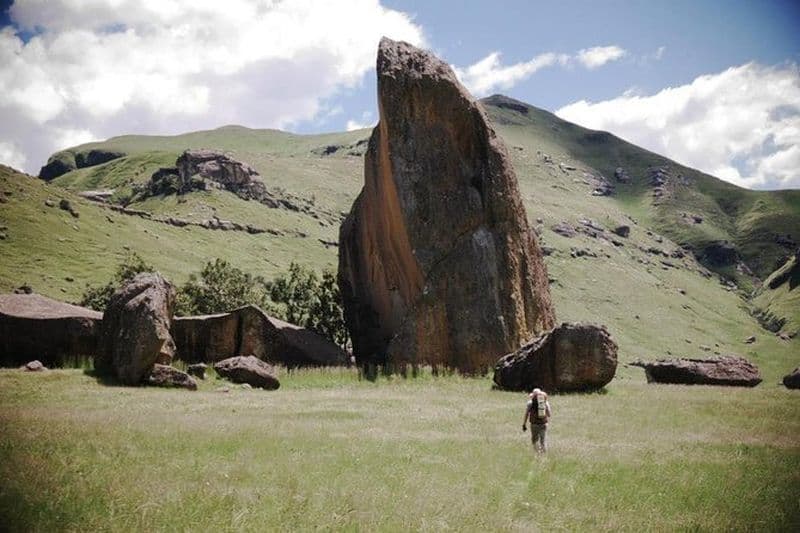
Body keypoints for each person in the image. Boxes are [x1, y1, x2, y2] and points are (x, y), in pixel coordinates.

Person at [522, 387, 551, 453]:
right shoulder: (545, 402)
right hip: (543, 424)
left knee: (534, 440)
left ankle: (537, 453)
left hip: (534, 424)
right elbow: (549, 414)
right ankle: (543, 454)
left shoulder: (530, 403)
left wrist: (524, 424)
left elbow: (526, 414)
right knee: (543, 440)